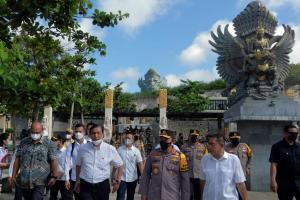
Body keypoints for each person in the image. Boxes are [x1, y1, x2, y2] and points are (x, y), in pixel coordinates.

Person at [12, 121, 59, 200]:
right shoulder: (24, 142)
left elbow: (53, 161)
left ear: (42, 131)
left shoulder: (49, 144)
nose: (35, 134)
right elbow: (18, 159)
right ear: (30, 131)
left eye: (37, 132)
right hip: (24, 181)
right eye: (33, 132)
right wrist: (13, 175)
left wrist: (54, 176)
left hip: (40, 181)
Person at [75, 124, 124, 200]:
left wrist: (117, 181)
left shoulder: (110, 149)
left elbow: (120, 165)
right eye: (93, 133)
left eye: (98, 133)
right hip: (86, 185)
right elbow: (78, 165)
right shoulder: (83, 148)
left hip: (102, 186)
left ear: (103, 134)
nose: (96, 135)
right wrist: (77, 181)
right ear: (90, 135)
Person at [139, 129, 190, 200]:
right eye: (161, 138)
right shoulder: (153, 154)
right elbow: (146, 174)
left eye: (166, 139)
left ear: (172, 140)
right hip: (154, 196)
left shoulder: (181, 157)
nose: (163, 140)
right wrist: (144, 193)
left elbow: (185, 182)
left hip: (171, 197)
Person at [200, 133, 248, 200]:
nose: (208, 146)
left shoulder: (233, 160)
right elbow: (203, 181)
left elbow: (240, 184)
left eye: (212, 144)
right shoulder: (205, 159)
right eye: (208, 144)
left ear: (221, 145)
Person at [269, 124, 300, 199]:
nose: (294, 135)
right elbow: (274, 164)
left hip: (298, 181)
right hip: (284, 182)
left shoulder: (299, 146)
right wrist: (273, 181)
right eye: (291, 133)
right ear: (285, 133)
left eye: (296, 134)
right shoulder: (277, 147)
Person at [117, 128, 144, 200]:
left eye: (129, 138)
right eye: (126, 137)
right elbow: (115, 164)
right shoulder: (119, 150)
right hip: (122, 178)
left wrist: (143, 177)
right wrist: (114, 176)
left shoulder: (136, 151)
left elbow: (140, 164)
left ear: (132, 140)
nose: (127, 139)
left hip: (132, 179)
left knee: (130, 197)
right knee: (120, 196)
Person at [181, 129, 207, 200]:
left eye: (196, 136)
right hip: (188, 176)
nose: (194, 137)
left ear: (198, 137)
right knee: (188, 196)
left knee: (199, 196)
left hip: (199, 176)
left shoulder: (203, 147)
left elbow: (206, 161)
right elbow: (180, 161)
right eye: (192, 136)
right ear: (189, 136)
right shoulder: (184, 147)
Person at [65, 123, 88, 200]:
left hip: (87, 179)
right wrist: (67, 179)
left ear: (84, 132)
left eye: (80, 131)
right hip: (74, 178)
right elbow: (67, 163)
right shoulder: (71, 146)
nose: (78, 133)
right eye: (76, 131)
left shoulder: (89, 145)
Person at [50, 135, 73, 200]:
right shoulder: (53, 151)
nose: (53, 142)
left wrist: (62, 172)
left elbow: (70, 164)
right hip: (54, 178)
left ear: (60, 141)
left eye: (55, 141)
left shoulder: (66, 151)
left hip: (64, 179)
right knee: (53, 196)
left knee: (66, 197)